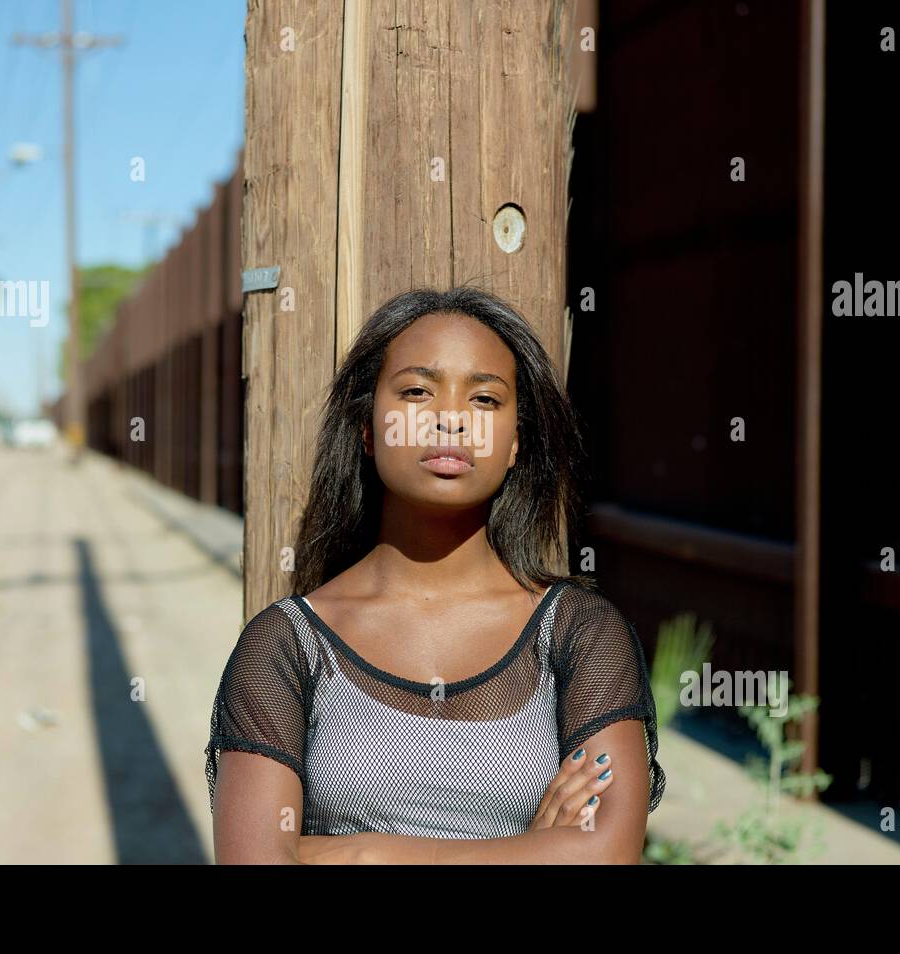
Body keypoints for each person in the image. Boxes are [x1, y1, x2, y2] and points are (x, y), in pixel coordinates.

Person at [206, 286, 666, 863]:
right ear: (368, 430)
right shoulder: (285, 646)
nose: (451, 419)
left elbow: (606, 854)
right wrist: (530, 852)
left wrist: (365, 855)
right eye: (418, 391)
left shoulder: (580, 634)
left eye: (485, 401)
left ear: (515, 443)